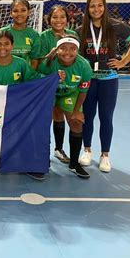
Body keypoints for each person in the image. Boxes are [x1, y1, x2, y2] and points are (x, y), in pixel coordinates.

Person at [77, 0, 130, 173]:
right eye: (92, 6)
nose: (96, 9)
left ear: (104, 7)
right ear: (87, 9)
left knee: (106, 117)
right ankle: (87, 150)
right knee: (87, 116)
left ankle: (105, 155)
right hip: (89, 79)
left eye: (99, 5)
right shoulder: (81, 29)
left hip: (108, 79)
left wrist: (124, 61)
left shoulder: (115, 25)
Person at [0, 30, 45, 180]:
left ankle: (28, 164)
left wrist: (54, 78)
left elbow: (33, 79)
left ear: (12, 46)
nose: (2, 47)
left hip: (18, 109)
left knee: (23, 135)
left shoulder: (21, 63)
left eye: (6, 44)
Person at [39, 37, 92, 179]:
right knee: (43, 124)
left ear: (77, 51)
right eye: (63, 48)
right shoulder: (48, 63)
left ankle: (74, 164)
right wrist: (53, 78)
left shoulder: (84, 66)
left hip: (70, 93)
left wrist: (76, 111)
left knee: (76, 122)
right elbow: (39, 80)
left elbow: (83, 90)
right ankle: (41, 160)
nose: (67, 52)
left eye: (72, 49)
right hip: (50, 93)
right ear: (57, 50)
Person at [39, 5, 78, 164]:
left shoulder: (73, 35)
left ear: (67, 20)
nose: (58, 20)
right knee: (51, 116)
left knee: (70, 117)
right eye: (55, 17)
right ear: (49, 20)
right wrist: (54, 51)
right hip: (48, 84)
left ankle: (62, 149)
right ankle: (46, 151)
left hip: (68, 84)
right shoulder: (43, 37)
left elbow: (76, 59)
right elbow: (41, 63)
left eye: (62, 17)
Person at [0, 0, 42, 70]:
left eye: (23, 10)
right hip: (5, 76)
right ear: (10, 13)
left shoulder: (34, 35)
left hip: (25, 77)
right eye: (15, 11)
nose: (19, 14)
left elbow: (34, 61)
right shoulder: (2, 33)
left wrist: (28, 76)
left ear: (29, 12)